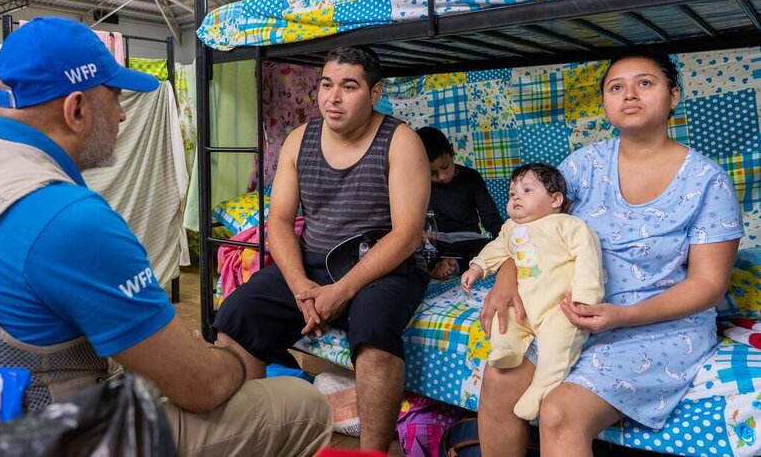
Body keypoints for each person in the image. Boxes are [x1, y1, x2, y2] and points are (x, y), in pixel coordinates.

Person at [0, 17, 332, 457]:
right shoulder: (67, 219)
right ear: (76, 110)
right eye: (115, 97)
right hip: (34, 438)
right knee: (301, 405)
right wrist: (237, 361)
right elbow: (203, 388)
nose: (120, 113)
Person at [477, 52, 743, 457]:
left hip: (657, 325)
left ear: (673, 97)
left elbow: (708, 284)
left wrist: (622, 316)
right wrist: (505, 277)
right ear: (605, 102)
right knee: (499, 379)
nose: (629, 94)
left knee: (559, 411)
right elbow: (532, 228)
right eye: (616, 87)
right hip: (571, 316)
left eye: (645, 83)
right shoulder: (583, 165)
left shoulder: (708, 182)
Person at [214, 46, 431, 453]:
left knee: (373, 333)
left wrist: (342, 291)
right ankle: (252, 436)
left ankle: (373, 451)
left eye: (349, 86)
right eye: (327, 84)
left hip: (381, 265)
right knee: (236, 314)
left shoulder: (401, 142)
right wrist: (300, 287)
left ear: (375, 93)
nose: (333, 97)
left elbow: (407, 235)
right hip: (311, 264)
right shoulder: (300, 140)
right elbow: (279, 222)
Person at [460, 163, 603, 420]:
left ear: (555, 199)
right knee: (506, 322)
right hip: (526, 305)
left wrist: (585, 298)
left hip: (560, 307)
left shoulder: (566, 225)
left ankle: (541, 388)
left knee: (557, 345)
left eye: (527, 190)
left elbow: (587, 257)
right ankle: (507, 349)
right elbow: (496, 250)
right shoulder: (510, 229)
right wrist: (477, 267)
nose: (516, 196)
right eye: (512, 192)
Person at [417, 126, 504, 278]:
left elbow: (490, 217)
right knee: (408, 248)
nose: (442, 176)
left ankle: (454, 266)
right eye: (432, 173)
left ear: (451, 151)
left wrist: (505, 239)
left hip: (469, 242)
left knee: (491, 249)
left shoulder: (471, 178)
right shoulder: (418, 183)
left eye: (445, 167)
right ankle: (434, 268)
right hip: (435, 243)